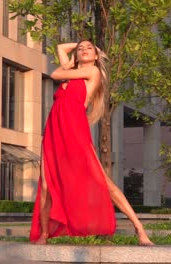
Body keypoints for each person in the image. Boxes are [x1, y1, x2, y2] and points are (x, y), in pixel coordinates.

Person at [30, 40, 154, 246]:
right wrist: (75, 52)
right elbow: (61, 47)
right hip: (53, 131)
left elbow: (55, 74)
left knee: (105, 182)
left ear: (97, 56)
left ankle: (140, 230)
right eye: (80, 49)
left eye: (89, 48)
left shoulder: (93, 72)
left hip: (74, 130)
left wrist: (78, 55)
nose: (84, 50)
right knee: (45, 186)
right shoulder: (73, 70)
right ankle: (44, 234)